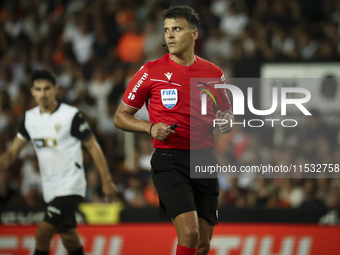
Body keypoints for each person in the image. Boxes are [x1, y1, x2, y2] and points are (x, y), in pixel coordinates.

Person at [114, 6, 234, 255]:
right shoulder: (149, 71)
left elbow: (226, 113)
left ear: (194, 34)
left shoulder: (214, 73)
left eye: (177, 29)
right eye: (167, 30)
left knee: (202, 243)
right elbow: (120, 117)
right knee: (189, 234)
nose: (169, 35)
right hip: (169, 159)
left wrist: (226, 120)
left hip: (204, 159)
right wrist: (150, 127)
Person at [0, 70, 117, 255]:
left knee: (42, 233)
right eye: (38, 89)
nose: (43, 93)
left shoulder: (70, 116)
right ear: (32, 91)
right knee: (70, 240)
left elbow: (93, 147)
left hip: (71, 185)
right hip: (50, 189)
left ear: (55, 90)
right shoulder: (30, 119)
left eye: (47, 89)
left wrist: (107, 181)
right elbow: (12, 153)